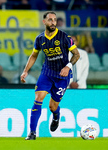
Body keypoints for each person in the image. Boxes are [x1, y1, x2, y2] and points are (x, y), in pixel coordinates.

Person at [21, 11, 80, 140]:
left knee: (53, 106)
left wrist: (68, 66)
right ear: (44, 22)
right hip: (47, 73)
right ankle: (32, 133)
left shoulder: (64, 37)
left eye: (55, 20)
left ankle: (56, 115)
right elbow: (34, 55)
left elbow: (77, 54)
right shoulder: (40, 39)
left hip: (62, 76)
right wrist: (26, 71)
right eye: (50, 20)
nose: (53, 22)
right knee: (38, 98)